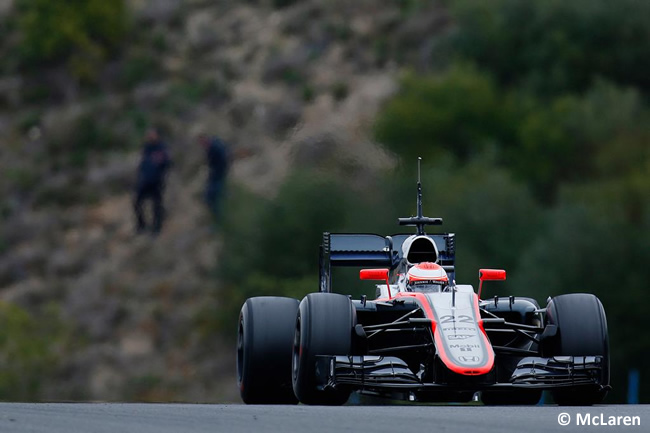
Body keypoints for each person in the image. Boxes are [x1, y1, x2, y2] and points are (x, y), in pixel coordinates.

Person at [134, 128, 171, 234]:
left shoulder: (162, 148)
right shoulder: (147, 148)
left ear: (157, 135)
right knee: (137, 203)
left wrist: (162, 176)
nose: (150, 137)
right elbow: (142, 163)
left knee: (156, 205)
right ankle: (141, 225)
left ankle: (157, 228)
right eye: (149, 135)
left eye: (152, 135)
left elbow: (167, 163)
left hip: (157, 182)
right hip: (145, 181)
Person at [198, 134, 230, 218]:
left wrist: (216, 170)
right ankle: (214, 212)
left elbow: (223, 160)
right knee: (211, 193)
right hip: (217, 173)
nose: (201, 145)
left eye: (202, 142)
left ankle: (217, 216)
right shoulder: (212, 145)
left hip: (218, 173)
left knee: (213, 195)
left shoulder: (215, 147)